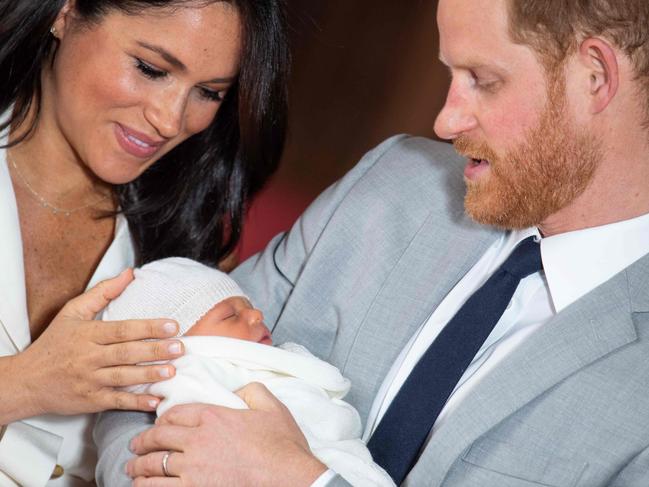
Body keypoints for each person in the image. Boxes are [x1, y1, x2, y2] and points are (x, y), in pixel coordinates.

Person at [96, 0, 649, 485]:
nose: (445, 121)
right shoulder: (393, 180)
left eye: (483, 79)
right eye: (450, 76)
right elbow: (151, 371)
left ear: (595, 76)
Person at [0, 0, 288, 484]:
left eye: (209, 92)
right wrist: (27, 383)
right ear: (65, 13)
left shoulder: (190, 250)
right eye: (151, 68)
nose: (171, 120)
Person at [97, 257, 395, 487]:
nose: (256, 314)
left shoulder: (262, 364)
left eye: (249, 306)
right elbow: (209, 445)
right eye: (231, 315)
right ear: (175, 347)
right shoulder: (190, 373)